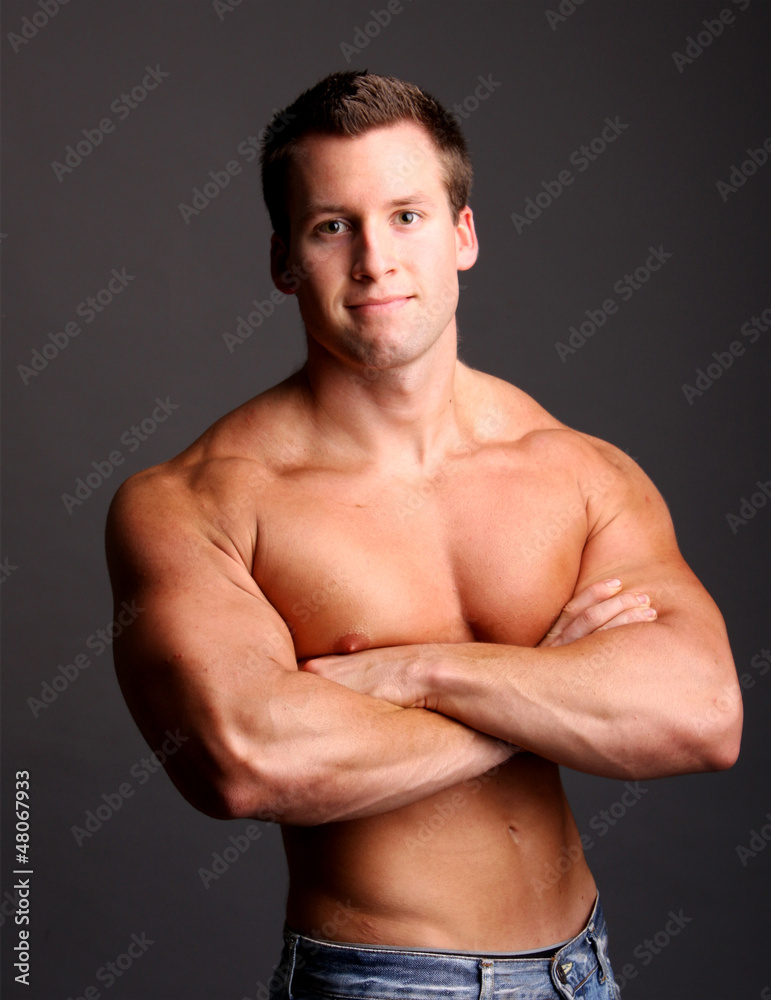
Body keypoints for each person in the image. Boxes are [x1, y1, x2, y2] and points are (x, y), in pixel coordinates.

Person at [105, 71, 742, 1000]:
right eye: (333, 227)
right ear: (283, 260)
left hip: (584, 971)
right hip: (381, 980)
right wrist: (546, 691)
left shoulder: (577, 470)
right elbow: (245, 763)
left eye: (406, 216)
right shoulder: (197, 502)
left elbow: (701, 713)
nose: (375, 261)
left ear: (462, 234)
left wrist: (416, 672)